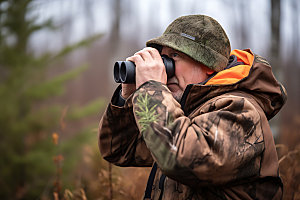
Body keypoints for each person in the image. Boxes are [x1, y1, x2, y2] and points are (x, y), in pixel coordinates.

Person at [98, 14, 286, 199]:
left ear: (209, 65)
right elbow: (119, 149)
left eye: (174, 56)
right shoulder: (183, 112)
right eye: (163, 58)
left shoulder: (241, 110)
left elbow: (180, 158)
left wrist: (151, 88)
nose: (164, 68)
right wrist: (127, 97)